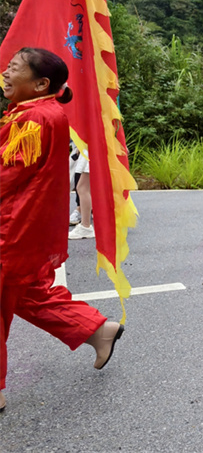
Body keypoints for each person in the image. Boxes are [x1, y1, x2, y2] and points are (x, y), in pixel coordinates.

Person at [0, 48, 123, 414]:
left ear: (40, 84)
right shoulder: (38, 112)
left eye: (15, 68)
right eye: (7, 67)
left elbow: (7, 175)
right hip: (24, 225)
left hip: (11, 227)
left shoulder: (33, 118)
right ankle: (99, 331)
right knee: (26, 294)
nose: (6, 73)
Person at [68, 146, 94, 239]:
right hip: (89, 147)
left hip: (92, 147)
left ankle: (85, 226)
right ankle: (85, 225)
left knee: (82, 188)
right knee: (83, 187)